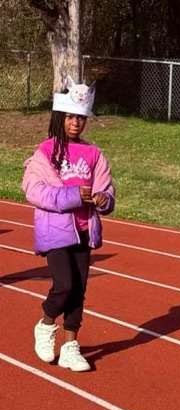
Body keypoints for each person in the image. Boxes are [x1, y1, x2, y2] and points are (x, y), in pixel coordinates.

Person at [22, 77, 115, 372]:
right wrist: (73, 195)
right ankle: (46, 324)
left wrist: (103, 199)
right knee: (64, 285)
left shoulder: (93, 153)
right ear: (60, 117)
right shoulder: (46, 151)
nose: (76, 123)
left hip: (84, 230)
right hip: (55, 231)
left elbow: (107, 188)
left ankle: (71, 345)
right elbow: (34, 191)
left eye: (81, 118)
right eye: (71, 117)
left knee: (79, 291)